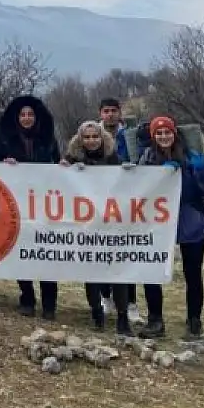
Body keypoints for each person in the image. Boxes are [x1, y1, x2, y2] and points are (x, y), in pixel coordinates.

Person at [136, 116, 204, 339]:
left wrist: (201, 172)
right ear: (153, 137)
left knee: (192, 273)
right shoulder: (147, 159)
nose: (164, 137)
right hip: (157, 221)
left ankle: (194, 321)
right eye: (159, 133)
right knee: (152, 271)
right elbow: (139, 190)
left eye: (167, 132)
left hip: (191, 218)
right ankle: (155, 319)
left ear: (175, 133)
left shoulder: (192, 157)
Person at [0, 94, 61, 320]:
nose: (26, 118)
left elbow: (59, 164)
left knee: (46, 252)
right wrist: (4, 163)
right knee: (22, 250)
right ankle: (27, 298)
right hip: (17, 205)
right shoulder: (4, 141)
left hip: (44, 204)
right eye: (22, 114)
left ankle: (50, 303)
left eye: (30, 114)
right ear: (16, 117)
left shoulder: (49, 139)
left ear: (37, 116)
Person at [61, 120, 131, 333]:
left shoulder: (113, 158)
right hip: (86, 225)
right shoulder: (71, 158)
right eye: (87, 137)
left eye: (95, 136)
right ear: (80, 140)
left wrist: (130, 173)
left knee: (117, 272)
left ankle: (122, 317)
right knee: (90, 271)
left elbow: (125, 186)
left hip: (111, 223)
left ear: (102, 138)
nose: (91, 141)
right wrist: (65, 170)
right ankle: (96, 312)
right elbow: (58, 184)